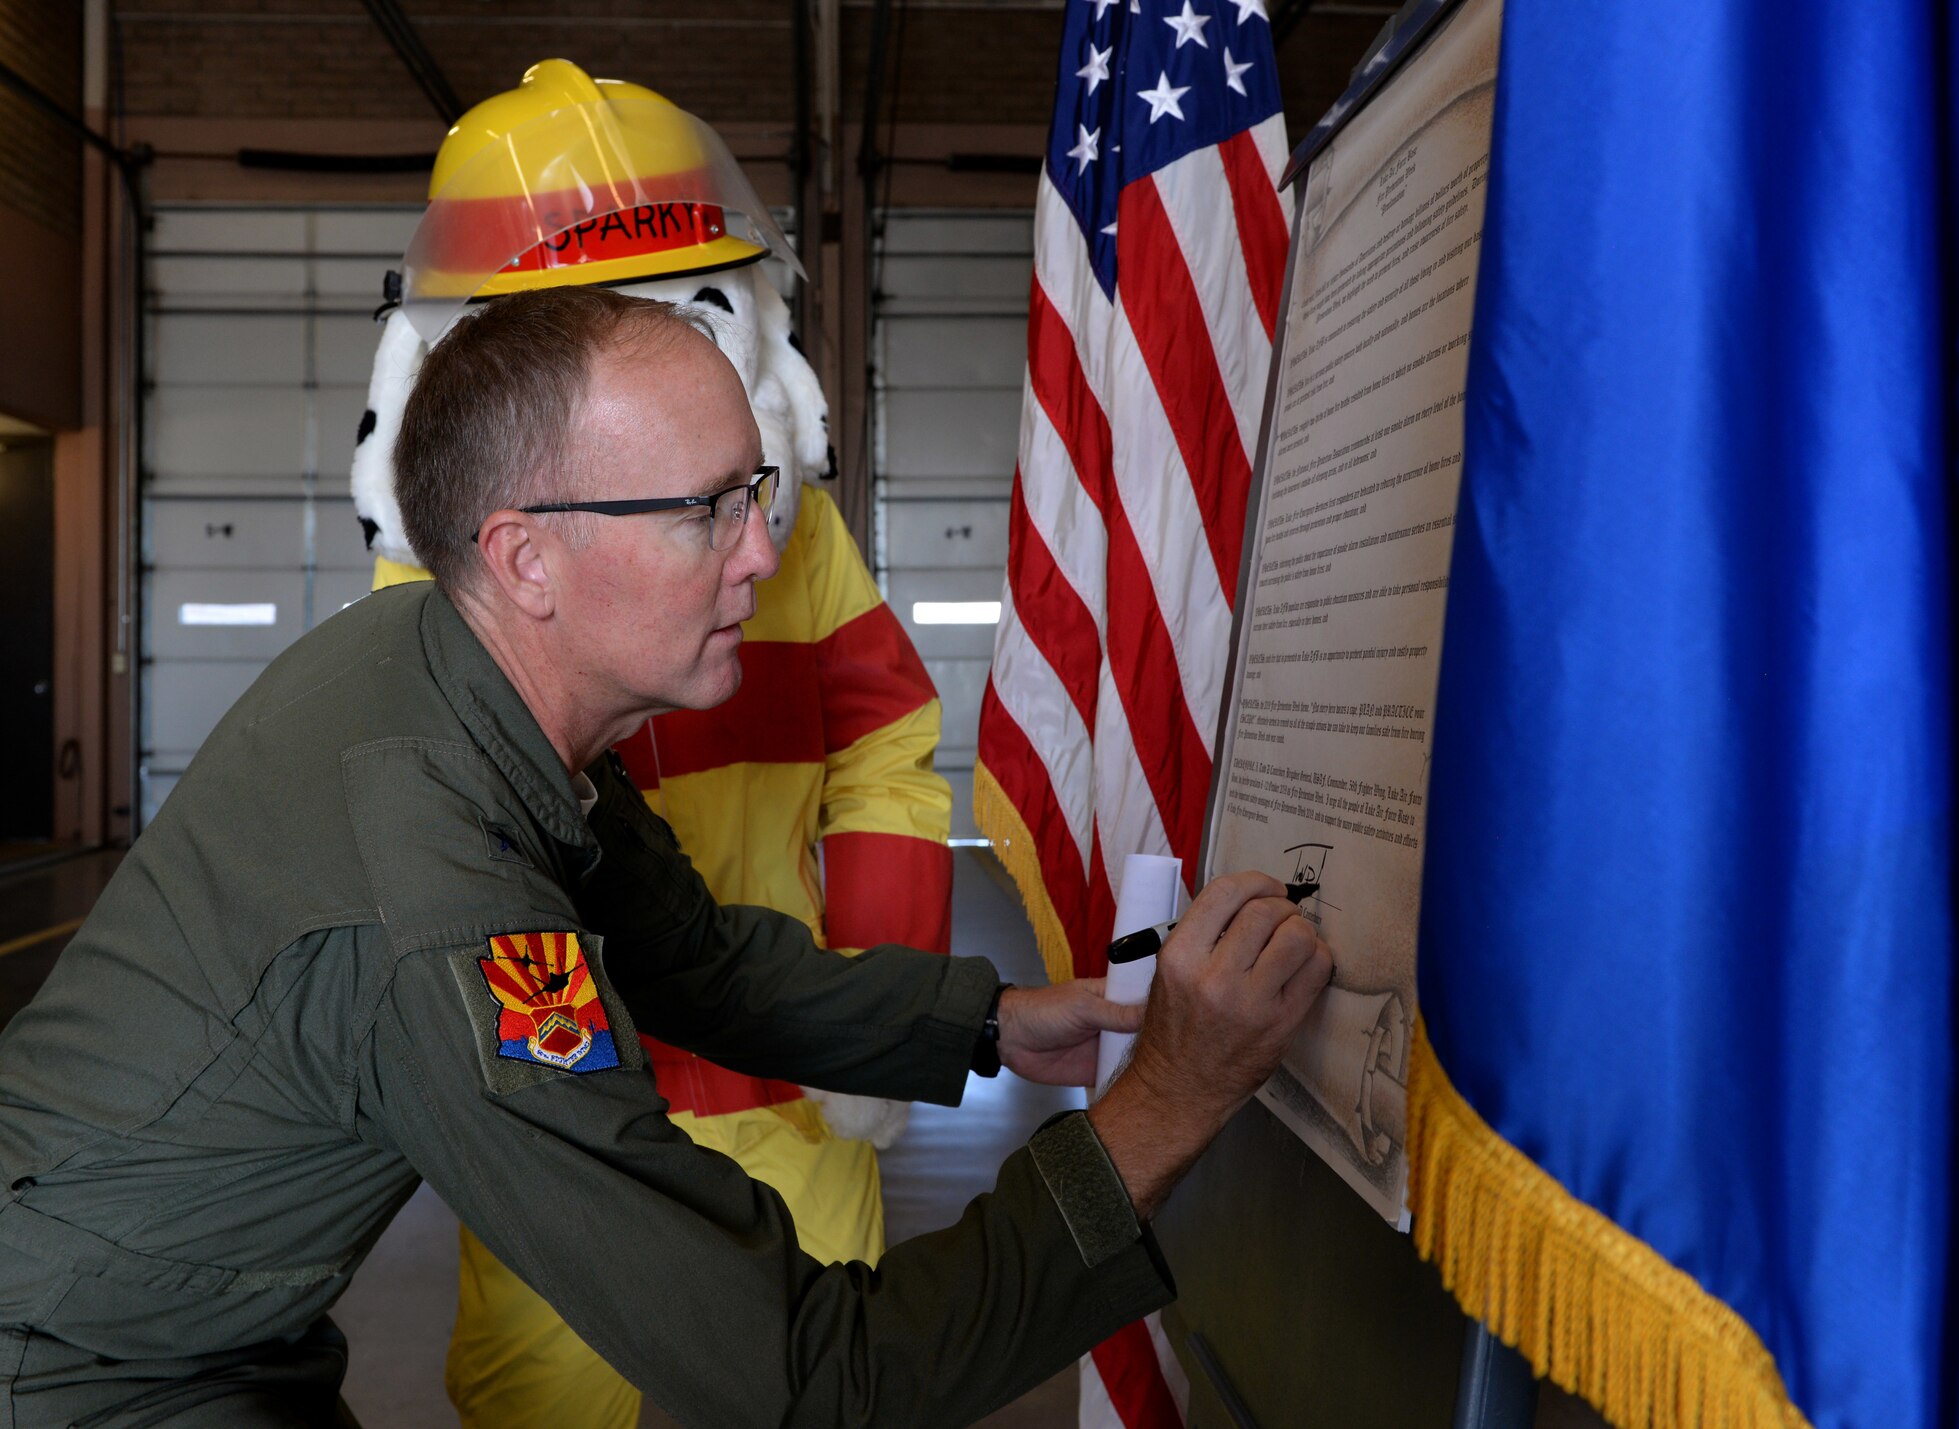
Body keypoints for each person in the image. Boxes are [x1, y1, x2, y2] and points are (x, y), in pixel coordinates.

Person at [0, 286, 1333, 1428]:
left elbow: (690, 963)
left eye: (754, 491)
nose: (763, 552)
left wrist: (985, 1019)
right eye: (707, 510)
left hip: (185, 1331)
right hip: (87, 1369)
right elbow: (802, 1372)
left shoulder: (468, 686)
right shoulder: (438, 904)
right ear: (526, 556)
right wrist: (1163, 1104)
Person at [349, 63, 955, 1428]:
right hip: (565, 1111)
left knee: (834, 1378)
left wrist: (879, 1000)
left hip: (786, 1087)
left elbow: (889, 750)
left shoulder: (789, 544)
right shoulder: (438, 589)